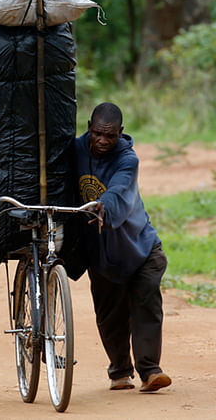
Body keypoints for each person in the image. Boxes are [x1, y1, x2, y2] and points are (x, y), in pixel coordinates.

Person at [74, 102, 171, 393]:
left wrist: (105, 206)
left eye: (111, 136)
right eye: (98, 134)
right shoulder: (75, 150)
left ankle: (150, 371)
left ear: (121, 133)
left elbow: (119, 190)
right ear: (89, 127)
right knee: (109, 314)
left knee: (146, 307)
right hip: (103, 253)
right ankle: (119, 371)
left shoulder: (128, 159)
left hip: (141, 248)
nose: (103, 141)